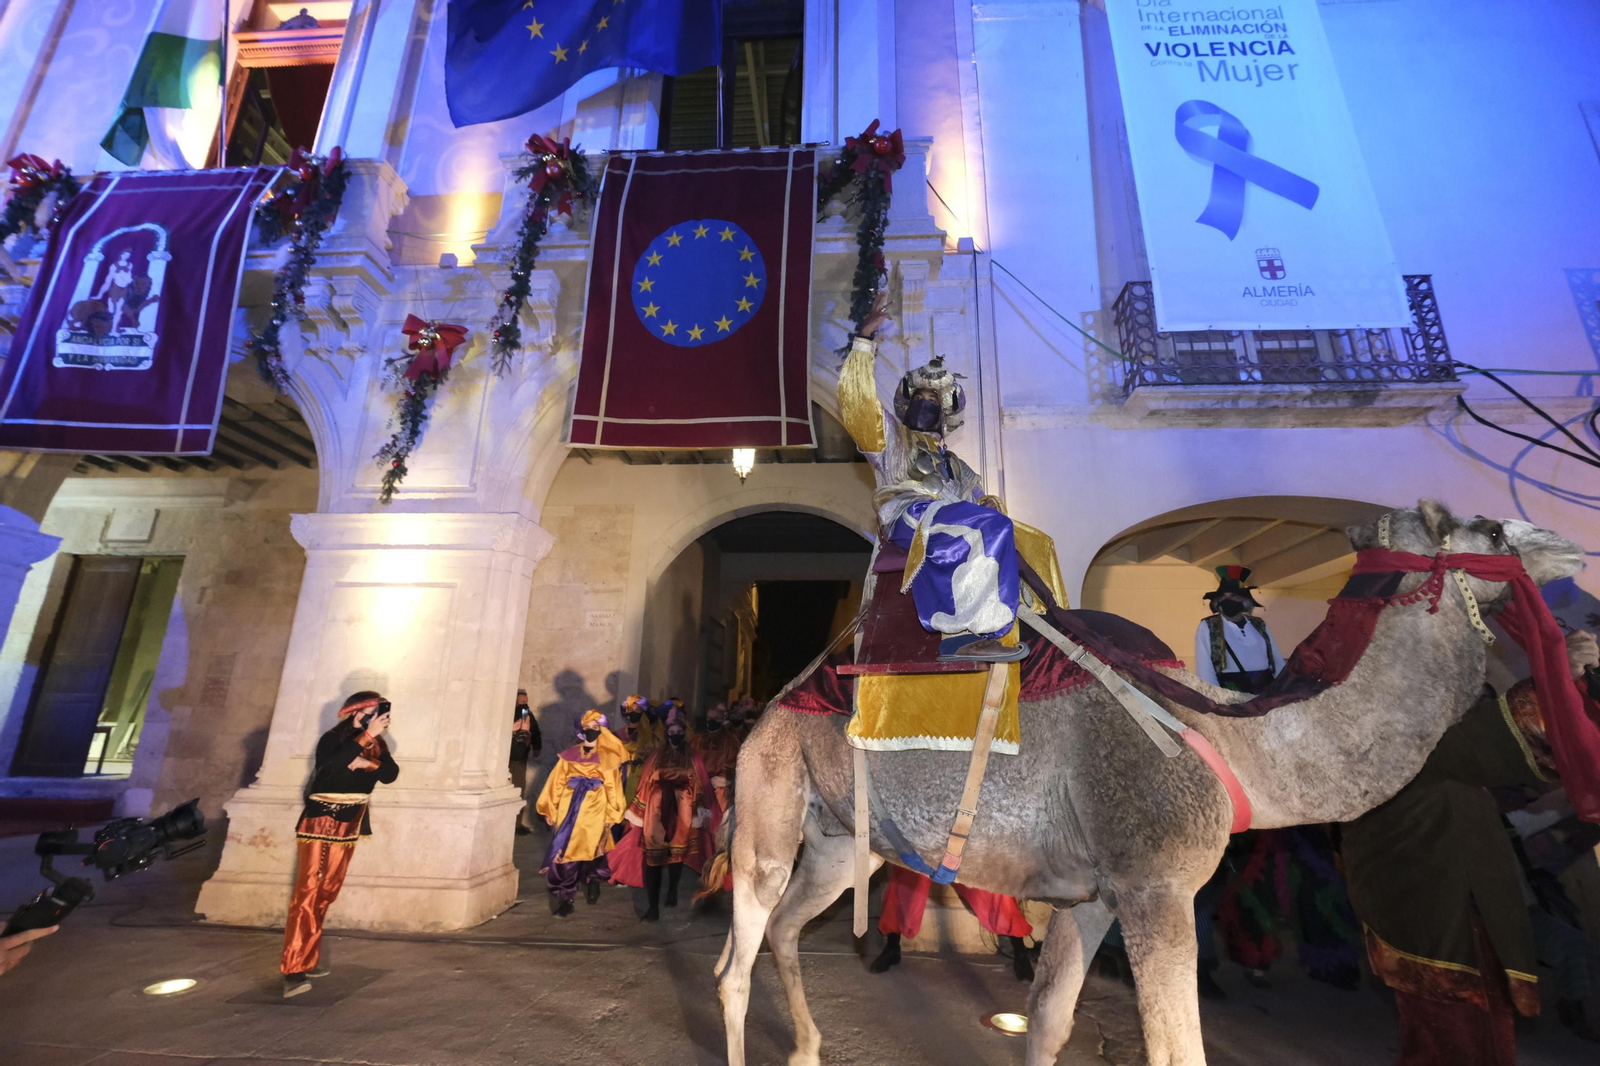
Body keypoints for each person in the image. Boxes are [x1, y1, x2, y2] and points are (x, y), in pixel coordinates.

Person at [1341, 629, 1600, 1065]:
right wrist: (1559, 679)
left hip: (1458, 912)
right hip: (1439, 924)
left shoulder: (1420, 749)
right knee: (1457, 1045)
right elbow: (1482, 742)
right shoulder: (1399, 744)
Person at [837, 293, 1026, 664]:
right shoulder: (890, 438)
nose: (927, 402)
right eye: (920, 396)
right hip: (910, 515)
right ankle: (970, 634)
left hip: (948, 520)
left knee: (1028, 538)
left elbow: (979, 500)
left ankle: (1043, 619)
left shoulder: (958, 465)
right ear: (908, 405)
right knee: (987, 527)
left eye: (934, 400)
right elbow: (858, 407)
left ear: (944, 415)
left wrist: (986, 503)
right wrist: (864, 340)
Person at [281, 691, 398, 998]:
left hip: (349, 824)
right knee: (307, 893)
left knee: (326, 893)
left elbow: (390, 774)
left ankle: (308, 955)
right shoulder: (333, 739)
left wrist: (366, 763)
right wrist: (362, 744)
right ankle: (294, 969)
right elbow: (330, 766)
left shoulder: (378, 745)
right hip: (320, 824)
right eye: (373, 712)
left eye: (381, 712)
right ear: (356, 713)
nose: (379, 718)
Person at [871, 865, 1036, 982]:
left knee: (996, 891)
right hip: (928, 840)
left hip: (965, 840)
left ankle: (1020, 954)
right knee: (904, 882)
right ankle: (892, 948)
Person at [626, 707, 714, 921]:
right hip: (655, 812)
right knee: (653, 857)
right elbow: (645, 783)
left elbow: (700, 783)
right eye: (671, 732)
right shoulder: (656, 755)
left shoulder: (692, 756)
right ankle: (653, 906)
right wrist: (637, 812)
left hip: (682, 811)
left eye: (678, 732)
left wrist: (699, 808)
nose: (675, 735)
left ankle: (673, 888)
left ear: (684, 732)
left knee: (676, 854)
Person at [535, 709, 626, 916]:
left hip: (596, 809)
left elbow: (613, 787)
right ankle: (565, 896)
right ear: (580, 730)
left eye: (596, 728)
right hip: (569, 809)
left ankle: (593, 880)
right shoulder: (569, 756)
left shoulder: (608, 758)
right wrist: (549, 807)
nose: (591, 732)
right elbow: (556, 782)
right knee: (566, 853)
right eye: (587, 728)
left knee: (594, 848)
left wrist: (613, 814)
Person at [1193, 565, 1286, 693]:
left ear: (1244, 599)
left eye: (1233, 596)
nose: (1227, 600)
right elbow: (1204, 667)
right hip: (1231, 691)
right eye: (1223, 597)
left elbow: (1276, 659)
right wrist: (1213, 696)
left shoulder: (1258, 624)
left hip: (1265, 690)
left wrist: (1284, 687)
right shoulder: (1209, 626)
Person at [692, 701, 742, 813]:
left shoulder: (731, 741)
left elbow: (733, 763)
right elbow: (689, 761)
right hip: (698, 782)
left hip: (718, 784)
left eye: (715, 718)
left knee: (721, 794)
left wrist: (719, 779)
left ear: (722, 720)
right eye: (709, 717)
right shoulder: (697, 739)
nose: (711, 720)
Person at [618, 694, 660, 805]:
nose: (633, 712)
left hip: (641, 776)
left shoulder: (650, 736)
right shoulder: (617, 735)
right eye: (630, 709)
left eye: (637, 710)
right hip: (620, 775)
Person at [510, 687, 541, 835]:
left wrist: (537, 747)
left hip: (520, 757)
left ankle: (517, 824)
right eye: (522, 702)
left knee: (519, 788)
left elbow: (534, 730)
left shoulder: (526, 714)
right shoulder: (509, 713)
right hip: (507, 757)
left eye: (526, 702)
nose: (525, 705)